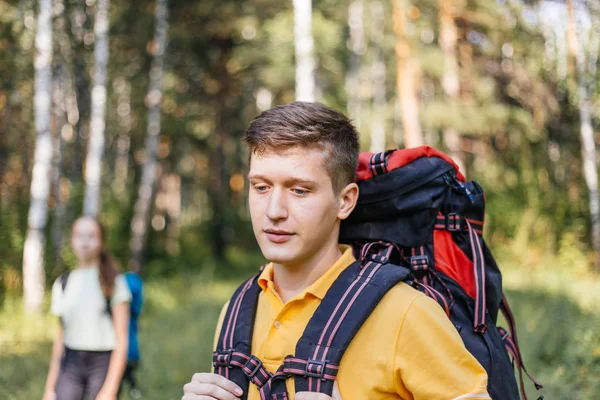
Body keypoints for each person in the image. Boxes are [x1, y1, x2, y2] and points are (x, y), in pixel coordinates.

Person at [182, 102, 491, 400]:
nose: (274, 211)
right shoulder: (236, 311)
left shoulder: (404, 313)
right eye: (261, 187)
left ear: (345, 201)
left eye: (299, 190)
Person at [43, 216, 131, 400]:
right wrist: (50, 388)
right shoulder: (63, 283)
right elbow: (59, 340)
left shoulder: (114, 282)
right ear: (72, 240)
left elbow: (122, 340)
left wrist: (110, 389)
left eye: (91, 236)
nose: (84, 241)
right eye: (78, 235)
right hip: (71, 362)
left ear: (102, 241)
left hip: (103, 362)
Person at [118, 270, 143, 399]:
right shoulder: (133, 312)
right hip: (132, 353)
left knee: (122, 376)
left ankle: (132, 391)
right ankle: (134, 390)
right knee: (128, 374)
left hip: (120, 352)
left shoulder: (119, 310)